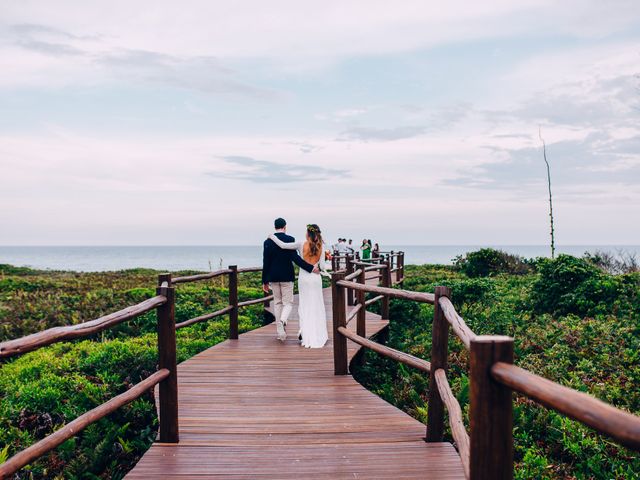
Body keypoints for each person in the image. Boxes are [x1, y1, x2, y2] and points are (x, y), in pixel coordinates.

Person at [268, 224, 329, 348]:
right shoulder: (321, 247)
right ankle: (317, 334)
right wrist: (319, 268)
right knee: (316, 305)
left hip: (304, 278)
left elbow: (283, 246)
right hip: (315, 279)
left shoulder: (301, 244)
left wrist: (272, 237)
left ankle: (306, 335)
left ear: (308, 233)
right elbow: (322, 267)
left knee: (305, 305)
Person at [262, 218, 318, 342]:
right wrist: (310, 268)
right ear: (285, 227)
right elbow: (295, 258)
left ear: (275, 226)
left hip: (273, 277)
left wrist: (264, 281)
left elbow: (266, 262)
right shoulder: (290, 239)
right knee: (288, 303)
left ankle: (280, 333)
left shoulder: (267, 241)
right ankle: (282, 321)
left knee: (277, 303)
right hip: (287, 276)